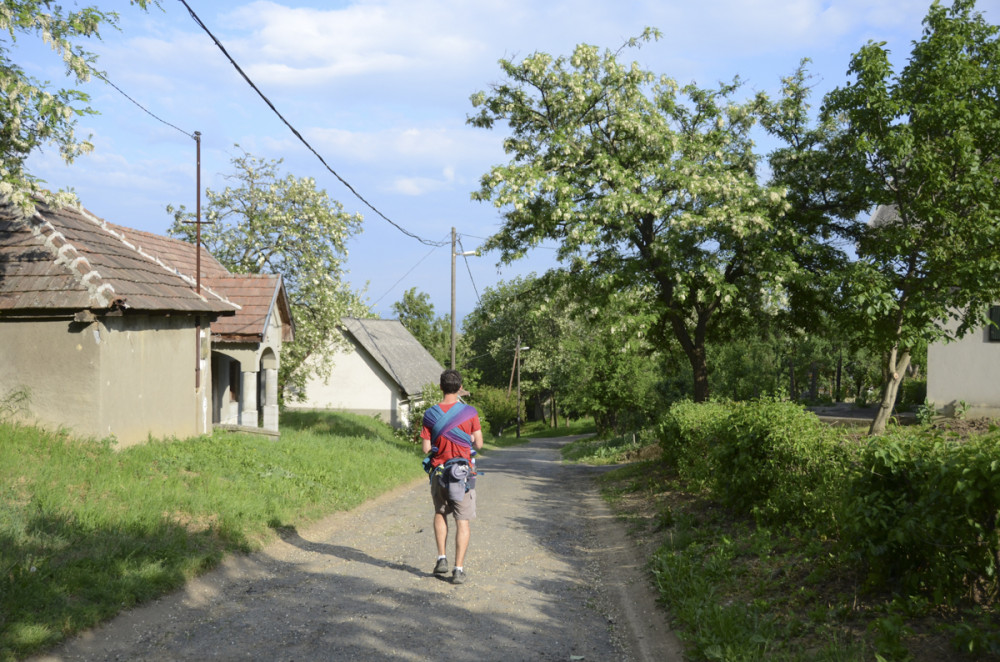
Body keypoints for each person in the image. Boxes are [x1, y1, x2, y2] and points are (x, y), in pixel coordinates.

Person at [419, 369, 483, 584]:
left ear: (440, 387)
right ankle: (458, 570)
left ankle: (441, 558)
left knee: (440, 512)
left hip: (439, 471)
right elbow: (479, 444)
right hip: (462, 474)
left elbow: (426, 448)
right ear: (460, 388)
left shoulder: (430, 414)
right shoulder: (470, 413)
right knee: (462, 520)